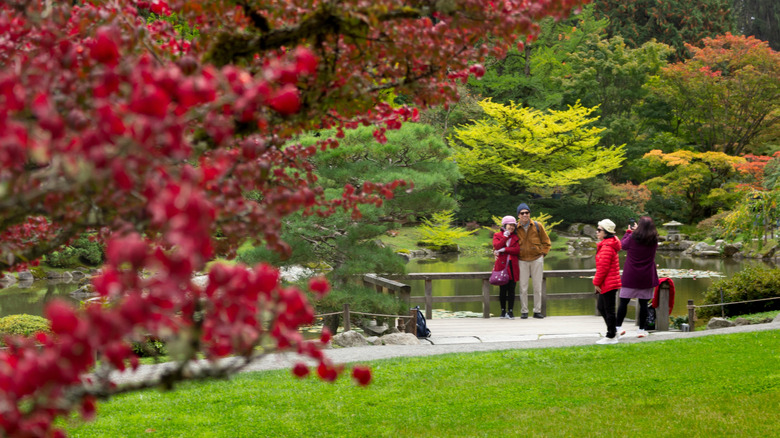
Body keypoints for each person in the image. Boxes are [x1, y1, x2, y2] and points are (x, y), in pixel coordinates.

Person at [616, 216, 659, 339]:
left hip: (631, 274)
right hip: (647, 275)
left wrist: (629, 232)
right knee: (644, 304)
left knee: (623, 302)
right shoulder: (654, 239)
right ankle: (641, 329)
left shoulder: (633, 237)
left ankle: (618, 327)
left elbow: (622, 246)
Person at [515, 203, 551, 319]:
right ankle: (524, 311)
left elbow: (546, 242)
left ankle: (537, 311)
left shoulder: (537, 225)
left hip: (537, 259)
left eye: (527, 212)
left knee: (537, 286)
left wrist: (543, 254)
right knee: (523, 287)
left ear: (529, 213)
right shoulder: (515, 228)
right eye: (522, 213)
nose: (525, 215)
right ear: (518, 215)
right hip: (522, 260)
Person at [593, 219, 621, 344]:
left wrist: (596, 282)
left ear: (606, 232)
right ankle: (614, 331)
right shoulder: (606, 244)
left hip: (609, 283)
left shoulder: (607, 247)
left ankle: (611, 336)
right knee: (602, 307)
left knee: (608, 310)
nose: (597, 231)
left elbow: (603, 268)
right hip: (608, 282)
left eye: (599, 230)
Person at [492, 216, 521, 319]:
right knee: (503, 289)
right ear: (504, 225)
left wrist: (504, 249)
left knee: (512, 289)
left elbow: (517, 250)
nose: (511, 227)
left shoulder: (516, 236)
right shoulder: (497, 235)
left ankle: (511, 311)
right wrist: (505, 237)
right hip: (502, 266)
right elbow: (497, 247)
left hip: (513, 266)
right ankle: (503, 311)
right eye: (510, 225)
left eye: (513, 225)